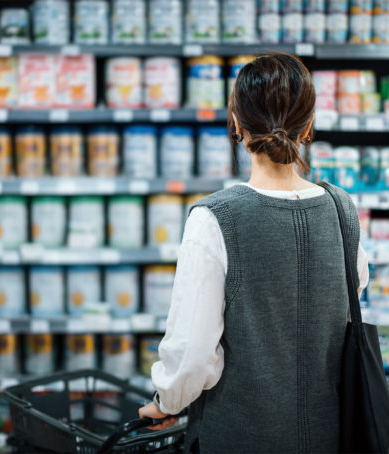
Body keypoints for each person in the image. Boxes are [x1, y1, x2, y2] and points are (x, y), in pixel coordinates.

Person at [138, 53, 369, 453]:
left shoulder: (215, 219)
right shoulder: (342, 209)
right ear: (308, 126)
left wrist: (167, 402)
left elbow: (192, 356)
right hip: (330, 435)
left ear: (236, 125)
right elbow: (346, 308)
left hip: (239, 437)